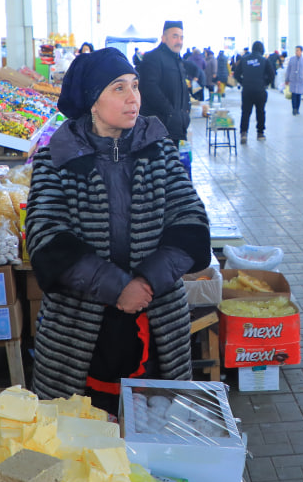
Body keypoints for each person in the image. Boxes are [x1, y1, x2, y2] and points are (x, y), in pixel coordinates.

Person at [25, 49, 210, 413]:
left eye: (135, 86)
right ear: (93, 101)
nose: (133, 97)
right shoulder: (56, 158)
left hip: (156, 321)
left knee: (157, 430)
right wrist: (117, 287)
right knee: (79, 439)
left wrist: (145, 283)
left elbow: (191, 223)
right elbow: (46, 239)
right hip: (78, 332)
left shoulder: (159, 149)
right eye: (118, 87)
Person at [135, 20, 190, 143]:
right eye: (175, 37)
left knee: (176, 160)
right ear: (164, 38)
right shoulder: (153, 58)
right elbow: (149, 88)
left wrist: (186, 111)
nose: (179, 41)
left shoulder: (178, 60)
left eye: (181, 37)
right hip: (158, 127)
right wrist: (170, 112)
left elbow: (183, 89)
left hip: (177, 126)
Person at [233, 40, 274, 143]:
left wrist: (243, 82)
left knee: (246, 112)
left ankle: (243, 134)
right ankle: (260, 133)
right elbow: (272, 75)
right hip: (260, 90)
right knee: (260, 111)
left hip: (247, 90)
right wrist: (264, 83)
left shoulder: (244, 59)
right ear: (262, 49)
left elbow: (236, 74)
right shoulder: (264, 61)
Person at [285, 46, 303, 115]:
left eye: (298, 50)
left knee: (298, 96)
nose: (296, 52)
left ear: (301, 51)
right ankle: (294, 109)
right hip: (293, 80)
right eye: (296, 50)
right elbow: (288, 70)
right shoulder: (292, 59)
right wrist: (287, 79)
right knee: (293, 95)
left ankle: (297, 109)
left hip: (300, 81)